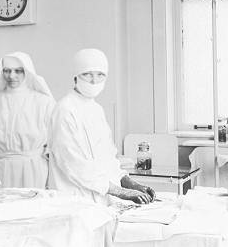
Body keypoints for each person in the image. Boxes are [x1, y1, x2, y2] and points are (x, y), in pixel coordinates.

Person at [48, 48, 155, 205]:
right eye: (87, 74)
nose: (94, 81)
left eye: (100, 75)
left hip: (100, 199)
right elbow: (73, 164)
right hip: (74, 199)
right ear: (76, 76)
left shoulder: (96, 109)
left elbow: (108, 157)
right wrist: (120, 192)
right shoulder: (65, 110)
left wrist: (128, 182)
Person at [0, 52, 56, 188]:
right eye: (7, 71)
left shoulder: (43, 102)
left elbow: (55, 141)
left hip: (33, 170)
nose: (11, 76)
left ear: (27, 72)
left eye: (18, 71)